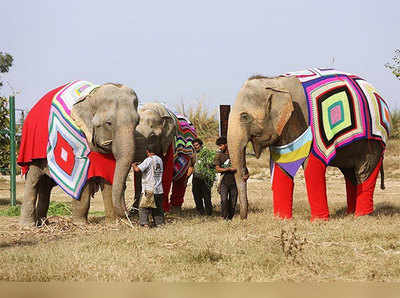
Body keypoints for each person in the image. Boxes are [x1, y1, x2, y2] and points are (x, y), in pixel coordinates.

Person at [132, 143, 164, 227]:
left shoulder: (148, 160)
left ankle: (145, 224)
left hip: (149, 189)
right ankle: (160, 224)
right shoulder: (160, 160)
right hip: (159, 189)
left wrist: (134, 165)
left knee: (143, 207)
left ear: (147, 152)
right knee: (157, 208)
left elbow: (137, 169)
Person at [214, 136, 238, 220]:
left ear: (226, 144)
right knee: (224, 200)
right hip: (224, 181)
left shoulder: (234, 155)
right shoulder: (219, 155)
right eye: (219, 146)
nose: (220, 148)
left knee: (233, 202)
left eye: (221, 145)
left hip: (234, 181)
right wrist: (228, 169)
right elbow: (217, 169)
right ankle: (224, 218)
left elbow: (241, 164)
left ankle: (230, 217)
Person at [191, 138, 216, 215]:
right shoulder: (193, 155)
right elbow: (191, 166)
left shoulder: (207, 153)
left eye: (197, 145)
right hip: (196, 177)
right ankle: (200, 211)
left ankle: (209, 212)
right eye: (194, 146)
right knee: (196, 194)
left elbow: (212, 164)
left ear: (201, 145)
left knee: (206, 196)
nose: (196, 147)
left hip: (205, 178)